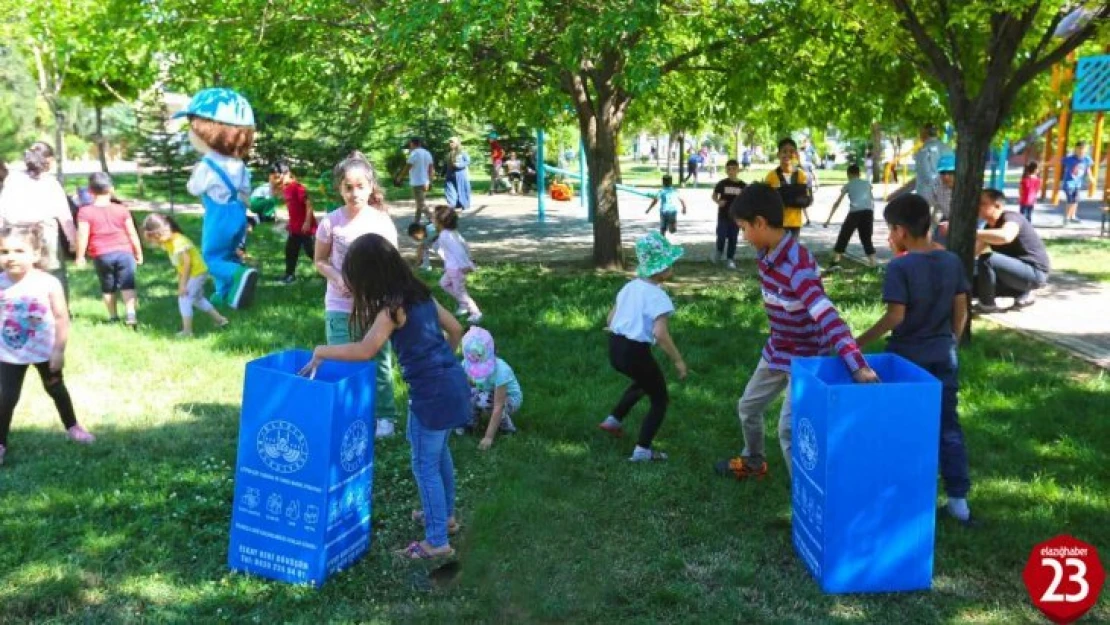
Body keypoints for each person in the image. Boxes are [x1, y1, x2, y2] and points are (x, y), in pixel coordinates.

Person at [299, 233, 469, 561]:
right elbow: (457, 330)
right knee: (438, 453)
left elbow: (366, 350)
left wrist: (322, 350)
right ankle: (445, 518)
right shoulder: (421, 295)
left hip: (431, 394)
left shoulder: (392, 308)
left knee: (424, 464)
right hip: (453, 382)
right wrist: (440, 365)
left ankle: (437, 541)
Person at [715, 183, 877, 481]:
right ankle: (754, 460)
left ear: (760, 223)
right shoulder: (767, 254)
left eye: (743, 228)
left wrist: (857, 365)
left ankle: (807, 498)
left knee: (788, 430)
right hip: (777, 351)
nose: (742, 236)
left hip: (804, 359)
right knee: (748, 407)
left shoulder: (797, 267)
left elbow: (828, 317)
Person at [854, 194, 974, 526]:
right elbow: (961, 307)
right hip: (943, 358)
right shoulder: (951, 261)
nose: (888, 238)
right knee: (948, 427)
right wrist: (951, 339)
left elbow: (895, 316)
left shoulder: (901, 266)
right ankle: (958, 503)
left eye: (890, 231)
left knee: (898, 426)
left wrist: (856, 343)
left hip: (906, 360)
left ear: (902, 231)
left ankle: (898, 494)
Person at [314, 152, 400, 438]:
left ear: (371, 186)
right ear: (339, 188)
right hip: (339, 305)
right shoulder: (330, 222)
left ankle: (384, 416)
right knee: (341, 360)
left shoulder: (381, 221)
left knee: (378, 362)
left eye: (360, 186)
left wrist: (378, 288)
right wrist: (338, 278)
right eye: (348, 187)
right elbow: (319, 261)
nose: (354, 193)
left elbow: (393, 263)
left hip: (375, 306)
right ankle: (348, 414)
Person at [0, 224, 95, 466]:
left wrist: (59, 350)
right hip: (8, 353)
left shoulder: (49, 283)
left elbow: (62, 317)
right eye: (4, 252)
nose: (11, 257)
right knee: (5, 398)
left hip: (44, 352)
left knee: (56, 389)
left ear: (35, 254)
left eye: (19, 251)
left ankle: (72, 426)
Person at [598, 232, 687, 462]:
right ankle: (642, 450)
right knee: (660, 399)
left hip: (615, 348)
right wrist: (678, 360)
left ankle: (613, 420)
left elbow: (610, 319)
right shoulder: (658, 297)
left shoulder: (630, 287)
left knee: (645, 381)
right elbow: (660, 334)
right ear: (661, 269)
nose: (673, 267)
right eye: (670, 264)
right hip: (635, 352)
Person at [174, 88, 259, 310]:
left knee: (211, 259)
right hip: (237, 212)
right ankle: (226, 294)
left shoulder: (207, 164)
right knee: (228, 253)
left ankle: (240, 274)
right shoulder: (238, 163)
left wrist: (193, 174)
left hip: (218, 215)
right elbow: (245, 190)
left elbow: (194, 188)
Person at [0, 142, 78, 301]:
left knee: (17, 272)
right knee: (53, 274)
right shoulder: (51, 183)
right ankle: (58, 308)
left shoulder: (12, 180)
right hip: (45, 233)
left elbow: (2, 210)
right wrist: (73, 239)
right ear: (48, 160)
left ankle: (22, 305)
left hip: (17, 234)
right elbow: (64, 216)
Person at [141, 213, 229, 337]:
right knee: (197, 299)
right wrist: (180, 282)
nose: (156, 242)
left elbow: (187, 263)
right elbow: (180, 266)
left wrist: (183, 285)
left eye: (155, 238)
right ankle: (220, 320)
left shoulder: (179, 241)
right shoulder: (168, 242)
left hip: (196, 273)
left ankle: (187, 331)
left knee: (184, 299)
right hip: (195, 273)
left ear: (161, 232)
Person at [75, 172, 143, 326]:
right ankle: (131, 315)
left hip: (102, 254)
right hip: (125, 252)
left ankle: (113, 317)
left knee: (108, 286)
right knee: (128, 284)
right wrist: (138, 252)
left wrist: (80, 256)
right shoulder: (121, 209)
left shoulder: (85, 212)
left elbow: (82, 236)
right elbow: (132, 233)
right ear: (111, 189)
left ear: (90, 192)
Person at [974, 188, 1051, 312]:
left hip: (1034, 272)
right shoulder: (989, 227)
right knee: (973, 282)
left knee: (988, 259)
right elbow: (973, 252)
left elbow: (1006, 236)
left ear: (997, 206)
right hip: (1015, 274)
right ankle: (1022, 294)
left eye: (982, 203)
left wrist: (974, 232)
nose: (977, 207)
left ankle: (987, 305)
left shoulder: (1011, 218)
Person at [460, 327, 523, 450]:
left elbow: (498, 405)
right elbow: (464, 386)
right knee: (469, 395)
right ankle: (470, 423)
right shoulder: (467, 364)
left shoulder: (501, 370)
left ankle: (507, 428)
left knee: (485, 400)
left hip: (510, 399)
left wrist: (488, 437)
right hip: (486, 392)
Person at [432, 205, 482, 324]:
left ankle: (475, 312)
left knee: (460, 291)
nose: (432, 220)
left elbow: (459, 250)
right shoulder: (450, 232)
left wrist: (465, 265)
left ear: (441, 221)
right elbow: (464, 245)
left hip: (456, 269)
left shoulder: (446, 235)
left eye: (434, 218)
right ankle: (463, 304)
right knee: (443, 284)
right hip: (452, 267)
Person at [271, 162, 317, 285]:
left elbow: (309, 205)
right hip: (295, 228)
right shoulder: (286, 189)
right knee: (290, 251)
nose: (277, 178)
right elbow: (293, 208)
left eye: (278, 175)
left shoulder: (297, 187)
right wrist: (290, 223)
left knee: (312, 252)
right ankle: (289, 275)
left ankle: (331, 274)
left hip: (306, 228)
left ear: (287, 173)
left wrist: (307, 222)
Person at [824, 164, 876, 268]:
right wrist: (872, 215)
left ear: (848, 174)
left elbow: (837, 203)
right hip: (868, 212)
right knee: (866, 238)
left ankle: (835, 261)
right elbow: (872, 199)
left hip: (855, 212)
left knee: (844, 235)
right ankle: (873, 264)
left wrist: (828, 219)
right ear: (859, 174)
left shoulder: (848, 184)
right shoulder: (867, 183)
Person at [765, 138, 811, 237]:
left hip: (795, 223)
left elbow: (805, 200)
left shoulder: (800, 175)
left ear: (795, 154)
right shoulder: (771, 176)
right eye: (784, 151)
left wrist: (784, 195)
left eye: (791, 151)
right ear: (778, 154)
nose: (787, 154)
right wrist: (792, 195)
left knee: (791, 251)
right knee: (778, 251)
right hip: (777, 223)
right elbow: (767, 201)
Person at [711, 159, 746, 268]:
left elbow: (746, 200)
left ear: (738, 170)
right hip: (723, 215)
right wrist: (718, 201)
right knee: (721, 235)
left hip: (736, 217)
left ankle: (730, 259)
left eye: (734, 169)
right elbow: (714, 195)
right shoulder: (722, 183)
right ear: (726, 170)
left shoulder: (742, 185)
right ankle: (718, 252)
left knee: (733, 238)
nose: (731, 171)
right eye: (729, 169)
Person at [398, 137, 435, 223]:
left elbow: (408, 167)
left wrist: (400, 177)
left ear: (413, 143)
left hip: (417, 182)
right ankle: (416, 222)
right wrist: (430, 180)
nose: (409, 145)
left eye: (410, 144)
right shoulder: (427, 153)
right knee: (420, 202)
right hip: (425, 182)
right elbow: (431, 168)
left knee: (421, 204)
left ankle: (433, 219)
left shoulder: (414, 154)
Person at [1060, 142, 1093, 225]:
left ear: (1086, 150)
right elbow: (1060, 161)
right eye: (1079, 149)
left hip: (1077, 183)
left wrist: (1091, 177)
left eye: (1083, 149)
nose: (1081, 151)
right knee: (1070, 200)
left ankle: (1073, 216)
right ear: (1075, 149)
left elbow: (1088, 168)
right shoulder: (1069, 159)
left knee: (1076, 200)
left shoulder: (1086, 159)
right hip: (1069, 183)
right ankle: (1067, 217)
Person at [443, 137, 472, 210]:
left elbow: (467, 161)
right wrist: (443, 172)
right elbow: (446, 164)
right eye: (450, 142)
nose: (451, 144)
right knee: (450, 189)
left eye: (452, 142)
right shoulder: (449, 154)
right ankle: (452, 204)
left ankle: (464, 204)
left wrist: (459, 165)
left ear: (457, 143)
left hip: (460, 174)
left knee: (461, 189)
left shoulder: (462, 152)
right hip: (450, 174)